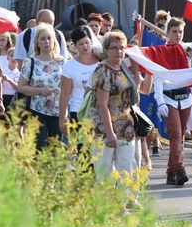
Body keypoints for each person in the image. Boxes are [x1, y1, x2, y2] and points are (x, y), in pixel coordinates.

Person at [88, 31, 138, 180]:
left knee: (127, 169)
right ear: (106, 50)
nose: (119, 51)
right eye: (114, 48)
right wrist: (110, 133)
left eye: (122, 48)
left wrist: (144, 69)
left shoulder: (123, 68)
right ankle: (106, 203)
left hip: (126, 127)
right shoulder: (103, 70)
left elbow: (139, 91)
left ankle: (128, 201)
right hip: (104, 129)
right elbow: (102, 105)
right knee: (105, 173)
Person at [153, 17, 192, 186]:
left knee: (181, 136)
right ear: (168, 33)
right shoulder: (162, 51)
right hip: (168, 97)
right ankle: (180, 168)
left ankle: (171, 173)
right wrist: (160, 101)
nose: (178, 35)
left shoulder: (187, 50)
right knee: (175, 134)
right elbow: (157, 77)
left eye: (180, 32)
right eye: (174, 32)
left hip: (185, 98)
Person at [17, 23, 65, 149]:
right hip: (37, 110)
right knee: (40, 147)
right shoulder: (30, 61)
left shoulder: (62, 61)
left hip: (57, 111)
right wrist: (40, 90)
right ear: (37, 43)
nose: (47, 42)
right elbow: (21, 87)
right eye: (43, 39)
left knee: (56, 148)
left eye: (49, 38)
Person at [59, 26, 100, 135]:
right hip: (78, 111)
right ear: (75, 46)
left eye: (87, 42)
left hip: (100, 111)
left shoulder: (101, 62)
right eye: (81, 44)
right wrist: (62, 117)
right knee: (82, 149)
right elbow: (64, 93)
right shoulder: (69, 66)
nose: (85, 46)